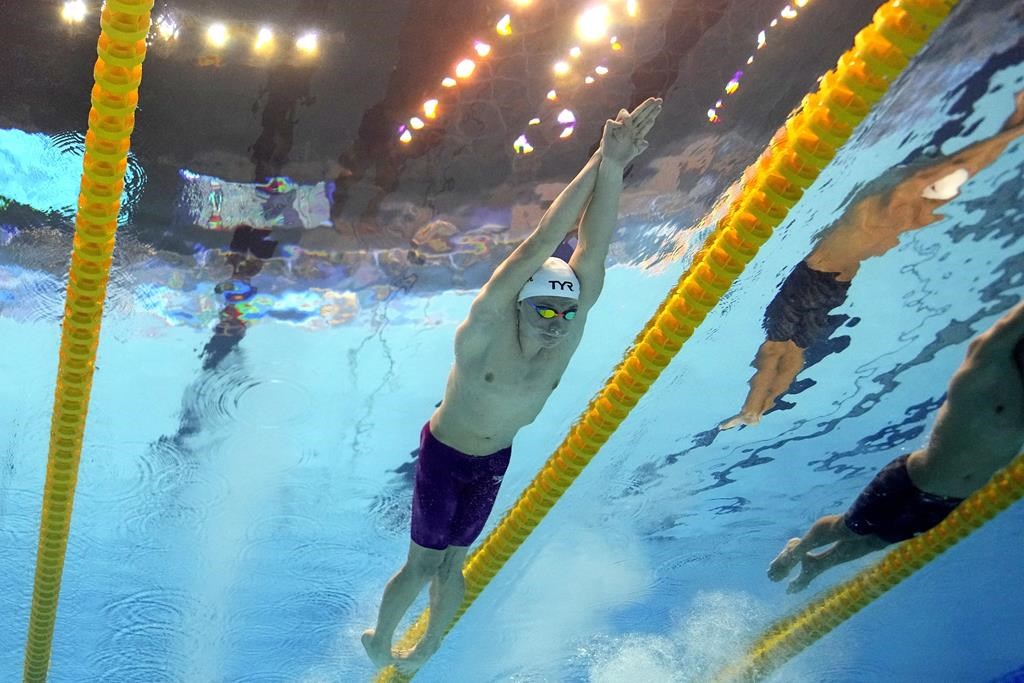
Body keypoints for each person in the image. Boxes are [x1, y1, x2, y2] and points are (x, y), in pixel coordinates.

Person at [361, 98, 663, 673]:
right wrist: (598, 156)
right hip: (445, 455)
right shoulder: (483, 331)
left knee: (456, 565)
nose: (556, 326)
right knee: (422, 564)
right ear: (521, 302)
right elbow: (544, 240)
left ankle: (426, 650)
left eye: (566, 315)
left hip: (493, 460)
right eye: (545, 312)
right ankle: (382, 638)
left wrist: (616, 169)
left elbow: (591, 249)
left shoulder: (565, 333)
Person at [721, 90, 1024, 430]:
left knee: (777, 349)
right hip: (829, 282)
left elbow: (954, 169)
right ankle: (759, 408)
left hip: (821, 279)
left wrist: (1013, 129)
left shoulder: (880, 205)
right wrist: (1010, 129)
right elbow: (957, 169)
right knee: (793, 352)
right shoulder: (895, 210)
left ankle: (755, 409)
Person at [767, 301, 1024, 593]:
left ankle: (819, 565)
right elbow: (1006, 327)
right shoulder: (988, 369)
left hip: (949, 501)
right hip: (911, 480)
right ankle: (799, 549)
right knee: (850, 529)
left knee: (877, 542)